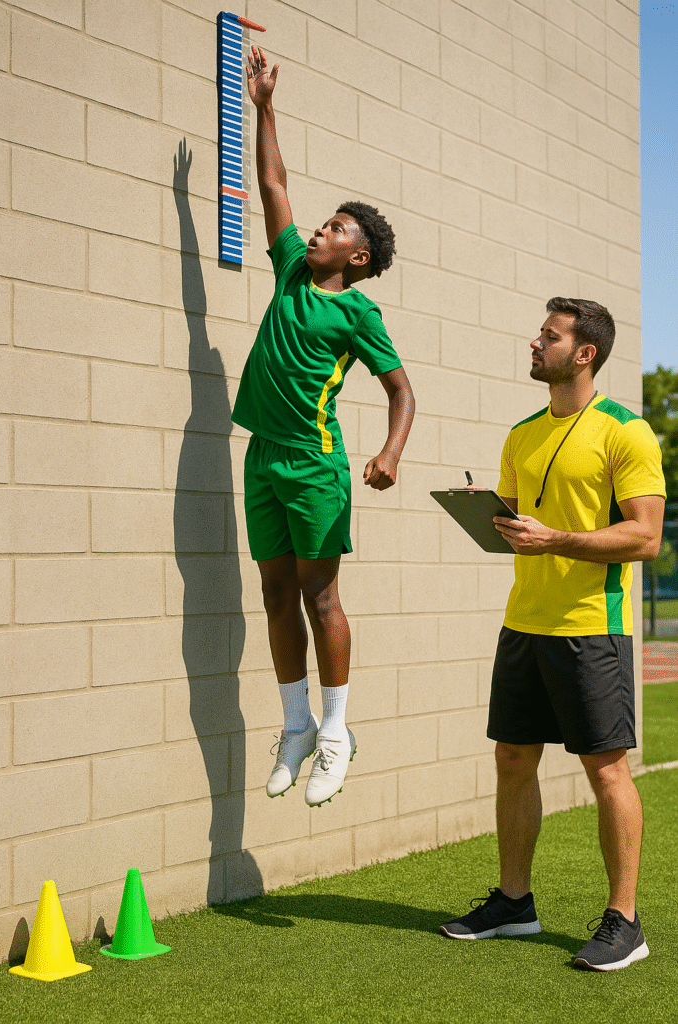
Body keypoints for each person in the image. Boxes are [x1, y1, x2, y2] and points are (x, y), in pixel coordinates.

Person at [439, 298, 665, 972]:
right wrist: (494, 520)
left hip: (590, 629)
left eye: (549, 335)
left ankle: (623, 921)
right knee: (512, 760)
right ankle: (513, 904)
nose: (534, 343)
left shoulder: (626, 432)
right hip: (523, 623)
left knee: (606, 769)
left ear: (584, 353)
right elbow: (519, 533)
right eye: (540, 333)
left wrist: (556, 538)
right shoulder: (521, 433)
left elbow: (645, 537)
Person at [232, 47, 415, 808]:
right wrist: (264, 105)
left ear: (357, 254)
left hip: (315, 462)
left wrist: (389, 452)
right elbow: (272, 183)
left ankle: (336, 733)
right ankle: (297, 725)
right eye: (324, 219)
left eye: (335, 227)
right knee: (273, 595)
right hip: (263, 456)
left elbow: (402, 390)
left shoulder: (356, 310)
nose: (318, 228)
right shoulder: (286, 270)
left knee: (319, 598)